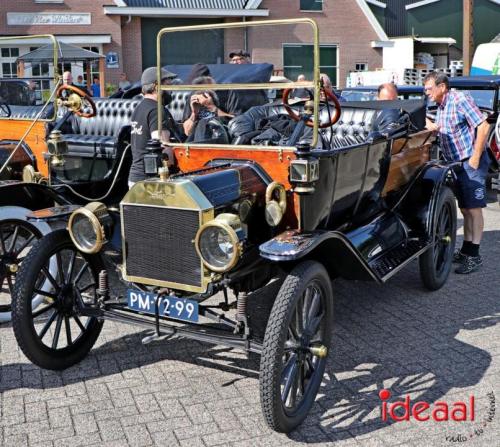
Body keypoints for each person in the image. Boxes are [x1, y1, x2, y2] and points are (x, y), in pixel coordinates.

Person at [424, 72, 491, 274]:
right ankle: (466, 251)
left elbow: (483, 126)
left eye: (429, 88)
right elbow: (441, 128)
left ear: (442, 87)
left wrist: (475, 158)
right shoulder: (441, 106)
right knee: (465, 208)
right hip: (456, 163)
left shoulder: (460, 99)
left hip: (470, 161)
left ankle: (474, 256)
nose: (426, 92)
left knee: (474, 209)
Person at [128, 66, 177, 187]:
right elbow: (163, 149)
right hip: (151, 181)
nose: (171, 90)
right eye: (168, 86)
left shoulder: (139, 108)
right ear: (156, 86)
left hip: (135, 177)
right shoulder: (157, 110)